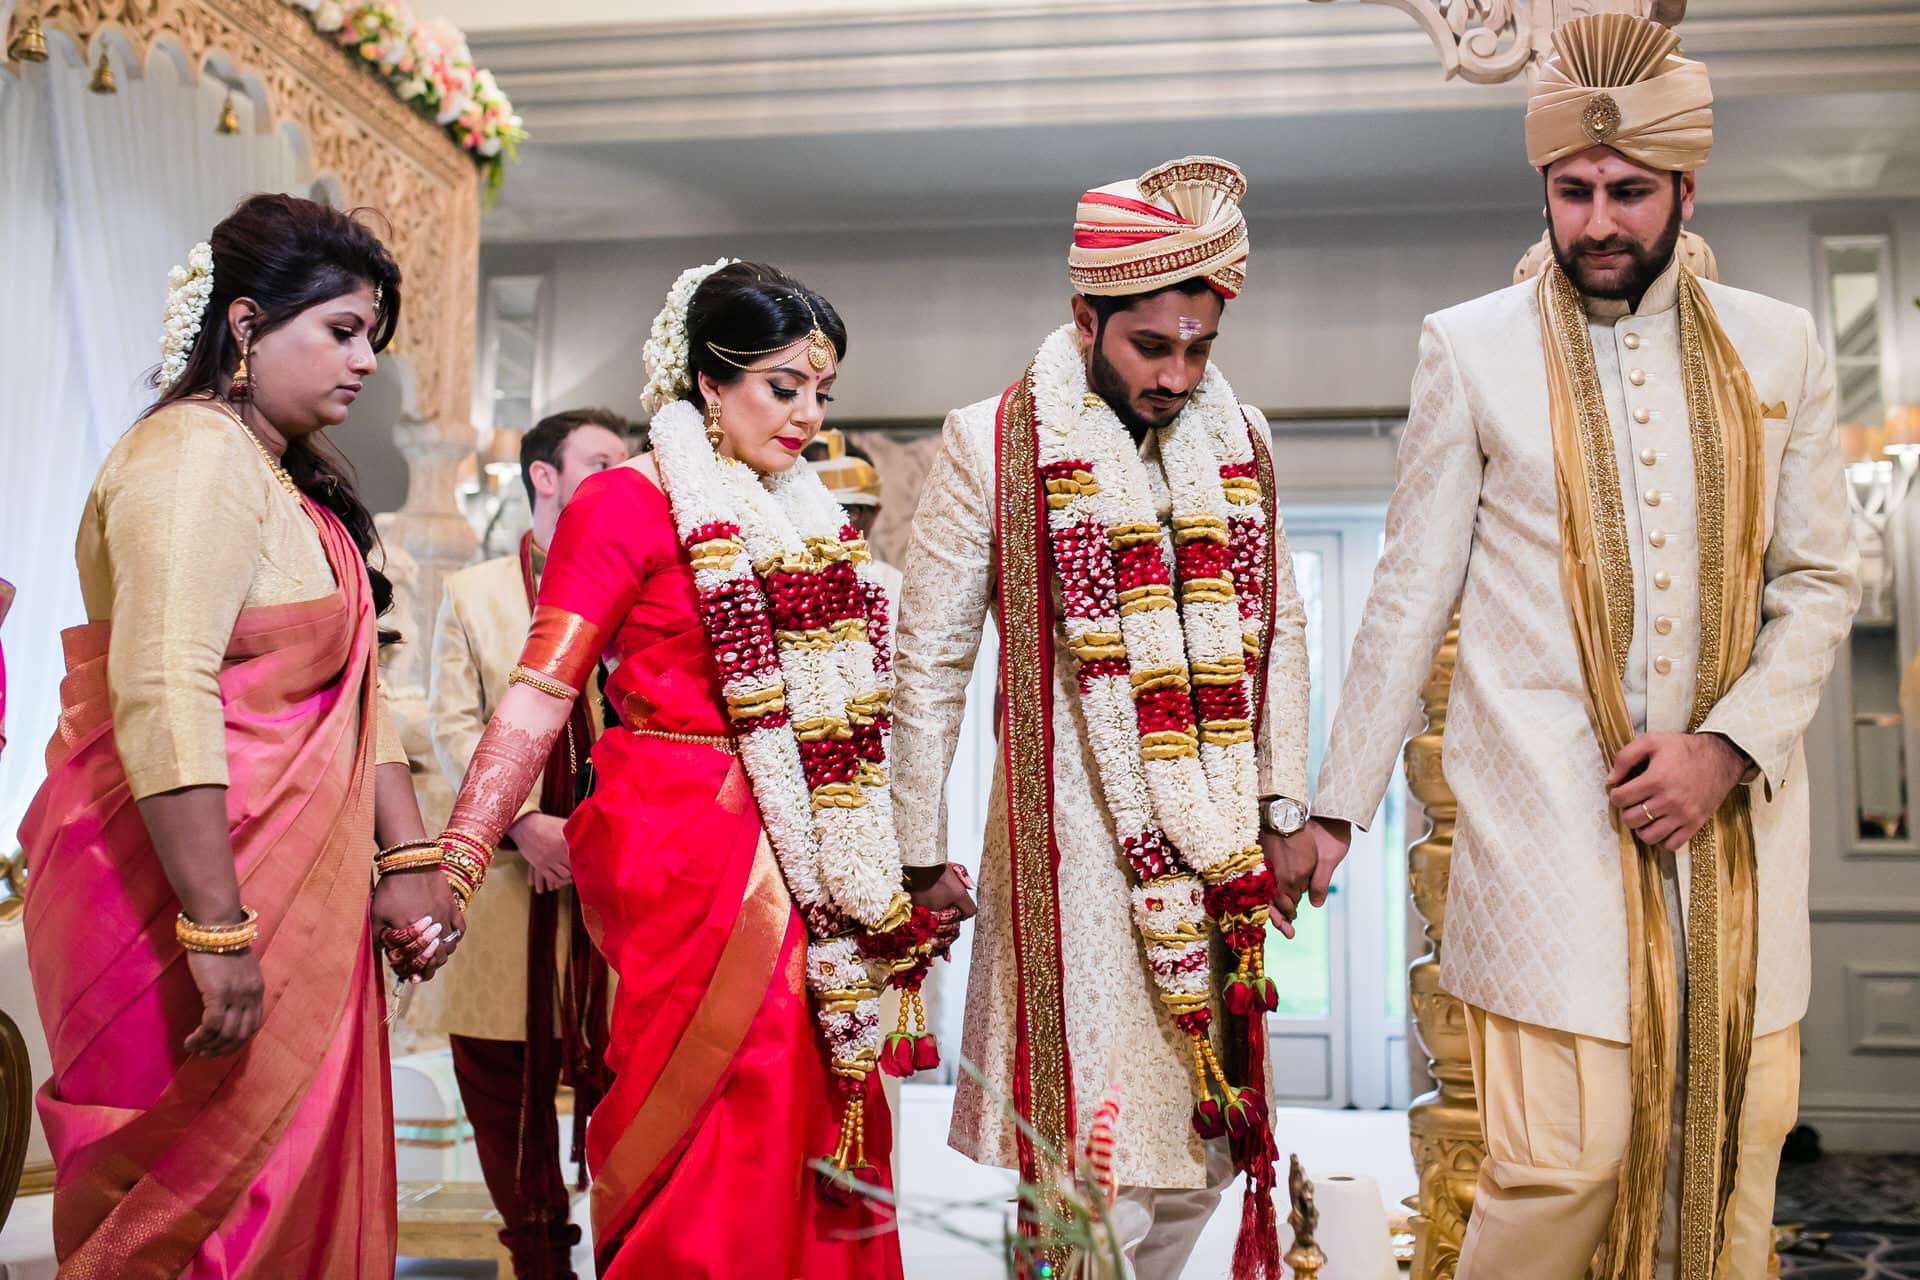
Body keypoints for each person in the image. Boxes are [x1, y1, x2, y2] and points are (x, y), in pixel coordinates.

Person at [1307, 15, 1859, 1278]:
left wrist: (1725, 745)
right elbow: (1407, 593)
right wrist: (1334, 809)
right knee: (1559, 1167)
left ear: (1683, 188)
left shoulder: (1782, 342)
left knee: (1730, 1173)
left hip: (1735, 840)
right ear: (1545, 190)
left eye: (1627, 191)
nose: (1599, 220)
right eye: (1573, 191)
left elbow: (1821, 580)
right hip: (1543, 832)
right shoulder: (1469, 345)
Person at [428, 260, 942, 1279]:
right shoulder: (622, 504)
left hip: (807, 836)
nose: (806, 417)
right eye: (781, 387)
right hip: (680, 834)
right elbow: (538, 695)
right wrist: (458, 853)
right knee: (732, 1074)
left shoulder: (807, 517)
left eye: (821, 395)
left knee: (818, 1068)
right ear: (709, 380)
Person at [18, 193, 461, 1277]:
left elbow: (363, 696)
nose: (365, 363)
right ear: (250, 323)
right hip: (176, 897)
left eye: (373, 338)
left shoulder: (294, 486)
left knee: (288, 1187)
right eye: (342, 331)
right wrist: (215, 929)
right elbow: (162, 684)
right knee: (185, 1214)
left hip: (285, 892)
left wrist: (407, 860)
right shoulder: (189, 458)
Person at [890, 155, 1316, 1278]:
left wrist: (1283, 807)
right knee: (1089, 1168)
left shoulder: (1246, 442)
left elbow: (1281, 637)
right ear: (1085, 314)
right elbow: (928, 657)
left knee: (1203, 1161)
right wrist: (917, 846)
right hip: (1070, 861)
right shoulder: (991, 438)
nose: (1177, 375)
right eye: (1149, 346)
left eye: (1198, 348)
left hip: (1217, 846)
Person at [424, 407, 630, 1278]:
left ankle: (628, 1252)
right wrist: (520, 823)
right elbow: (449, 724)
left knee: (626, 1079)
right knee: (501, 1081)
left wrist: (597, 829)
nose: (620, 476)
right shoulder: (477, 593)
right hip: (510, 887)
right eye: (600, 460)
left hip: (623, 885)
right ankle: (539, 1259)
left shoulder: (642, 579)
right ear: (544, 476)